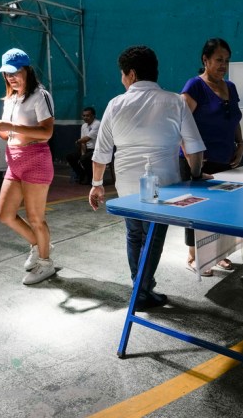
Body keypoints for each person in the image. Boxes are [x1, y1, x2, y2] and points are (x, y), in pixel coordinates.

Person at [88, 45, 206, 310]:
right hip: (165, 185)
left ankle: (139, 287)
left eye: (122, 74)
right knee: (153, 236)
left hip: (128, 184)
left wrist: (97, 185)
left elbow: (101, 152)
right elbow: (194, 148)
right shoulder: (176, 101)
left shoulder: (116, 104)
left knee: (134, 233)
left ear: (130, 74)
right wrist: (196, 175)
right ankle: (142, 289)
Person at [0, 48, 56, 286]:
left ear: (27, 70)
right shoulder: (11, 99)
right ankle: (38, 244)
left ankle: (46, 263)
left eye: (15, 72)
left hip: (36, 159)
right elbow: (8, 135)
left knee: (36, 218)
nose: (11, 78)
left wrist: (10, 126)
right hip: (14, 161)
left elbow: (47, 132)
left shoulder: (40, 95)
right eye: (6, 74)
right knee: (5, 214)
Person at [180, 37, 243, 276]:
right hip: (199, 161)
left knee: (224, 207)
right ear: (205, 60)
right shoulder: (194, 86)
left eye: (226, 61)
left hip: (226, 158)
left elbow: (234, 118)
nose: (223, 65)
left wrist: (241, 142)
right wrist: (191, 164)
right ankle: (193, 256)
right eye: (219, 60)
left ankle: (219, 254)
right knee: (198, 209)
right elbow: (181, 125)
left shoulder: (231, 87)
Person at [66, 106, 100, 184]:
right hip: (87, 150)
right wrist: (82, 153)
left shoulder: (97, 124)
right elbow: (83, 142)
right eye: (84, 116)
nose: (85, 117)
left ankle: (91, 178)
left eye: (87, 115)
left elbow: (86, 139)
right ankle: (81, 174)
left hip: (97, 150)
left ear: (93, 116)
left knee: (85, 159)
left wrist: (78, 141)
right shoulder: (84, 126)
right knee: (70, 157)